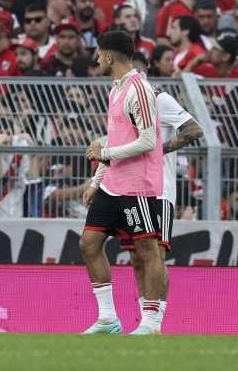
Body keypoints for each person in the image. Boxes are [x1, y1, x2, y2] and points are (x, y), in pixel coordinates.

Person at [80, 30, 167, 336]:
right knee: (89, 243)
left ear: (109, 56)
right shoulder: (116, 89)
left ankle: (152, 323)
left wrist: (104, 153)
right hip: (113, 183)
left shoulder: (138, 88)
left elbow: (146, 141)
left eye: (99, 53)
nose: (96, 58)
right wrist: (97, 178)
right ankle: (107, 319)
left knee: (146, 250)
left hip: (137, 184)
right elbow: (118, 139)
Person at [105, 88, 202, 329]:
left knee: (155, 255)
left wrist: (160, 148)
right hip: (132, 189)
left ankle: (154, 323)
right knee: (137, 257)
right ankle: (145, 323)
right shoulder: (119, 100)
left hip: (161, 189)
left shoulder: (159, 99)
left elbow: (194, 129)